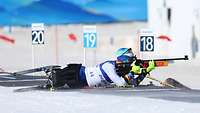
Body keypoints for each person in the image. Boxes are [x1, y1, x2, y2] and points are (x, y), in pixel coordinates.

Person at [47, 48, 155, 89]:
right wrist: (132, 72)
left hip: (82, 83)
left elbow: (133, 83)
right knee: (57, 79)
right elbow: (121, 83)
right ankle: (52, 75)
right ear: (123, 58)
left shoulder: (122, 71)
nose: (132, 57)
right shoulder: (109, 66)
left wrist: (145, 72)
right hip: (78, 74)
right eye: (130, 55)